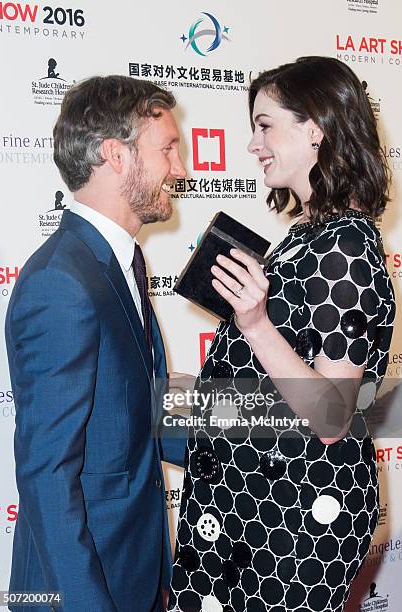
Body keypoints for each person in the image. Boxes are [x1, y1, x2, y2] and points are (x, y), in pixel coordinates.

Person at [168, 57, 395, 612]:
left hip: (293, 516)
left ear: (315, 128)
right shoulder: (306, 235)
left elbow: (331, 415)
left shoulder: (347, 248)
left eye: (265, 125)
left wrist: (254, 323)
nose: (252, 144)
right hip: (249, 501)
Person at [5, 75, 187, 612]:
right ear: (117, 155)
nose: (180, 170)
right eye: (168, 150)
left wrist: (280, 431)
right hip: (84, 590)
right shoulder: (60, 282)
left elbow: (139, 412)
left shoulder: (121, 261)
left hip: (138, 572)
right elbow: (47, 474)